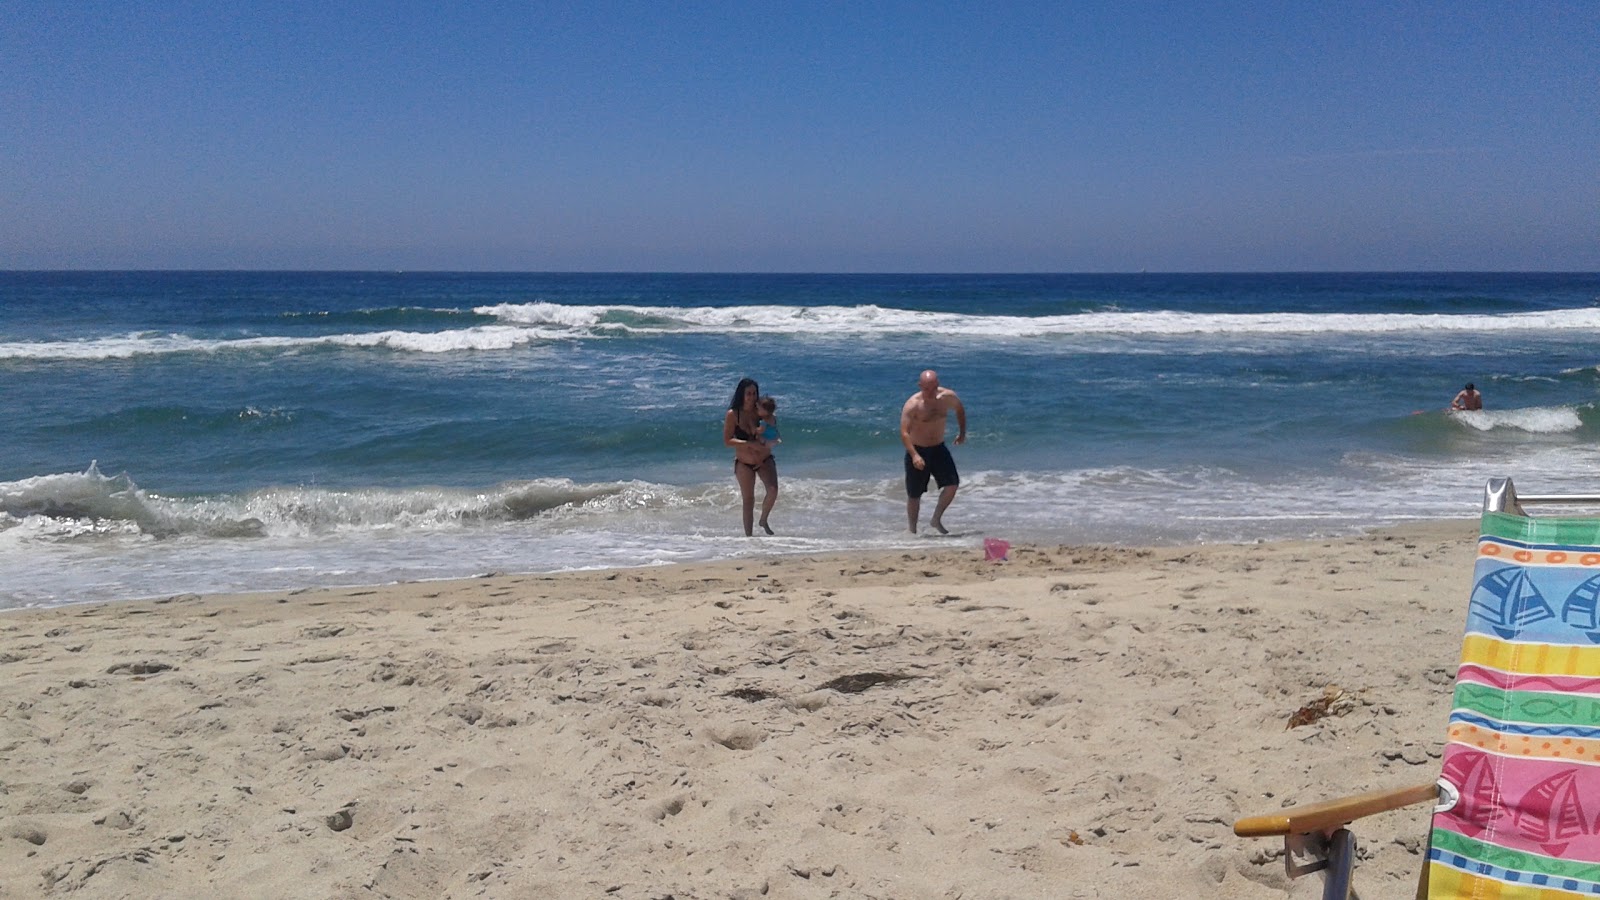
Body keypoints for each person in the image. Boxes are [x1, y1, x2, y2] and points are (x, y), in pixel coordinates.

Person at [900, 369, 966, 534]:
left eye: (934, 388)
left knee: (952, 485)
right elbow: (904, 432)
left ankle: (936, 519)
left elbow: (959, 410)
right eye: (926, 388)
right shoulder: (913, 404)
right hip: (918, 450)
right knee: (914, 494)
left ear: (938, 384)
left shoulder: (947, 398)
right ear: (920, 385)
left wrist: (962, 433)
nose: (930, 392)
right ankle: (912, 530)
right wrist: (914, 455)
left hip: (938, 448)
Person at [723, 378, 778, 536]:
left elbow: (773, 427)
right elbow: (727, 441)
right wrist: (749, 444)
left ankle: (764, 519)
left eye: (754, 393)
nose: (752, 397)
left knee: (773, 490)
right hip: (744, 463)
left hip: (764, 459)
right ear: (742, 394)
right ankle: (749, 539)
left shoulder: (760, 410)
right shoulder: (733, 414)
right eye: (748, 393)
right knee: (748, 500)